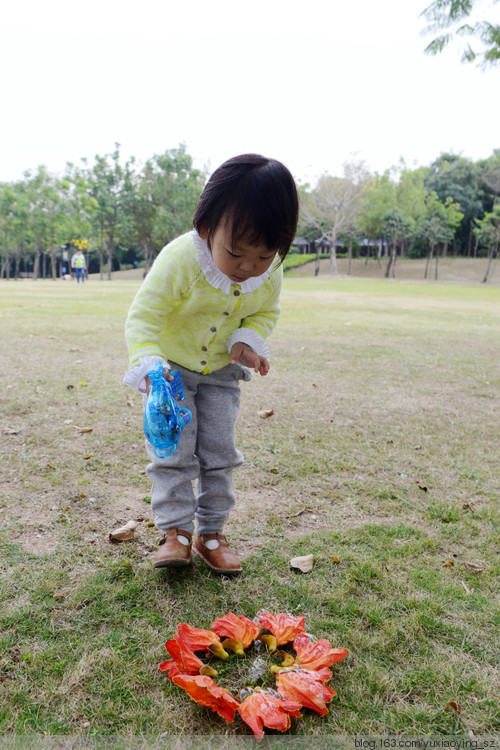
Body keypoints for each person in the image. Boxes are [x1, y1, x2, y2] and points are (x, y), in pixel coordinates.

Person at [123, 154, 299, 574]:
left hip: (221, 374)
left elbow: (265, 313)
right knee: (174, 453)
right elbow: (144, 316)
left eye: (263, 256)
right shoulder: (181, 258)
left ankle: (211, 533)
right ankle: (176, 533)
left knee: (220, 452)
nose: (247, 268)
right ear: (207, 228)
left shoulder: (268, 272)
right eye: (237, 253)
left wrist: (246, 341)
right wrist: (149, 364)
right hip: (171, 375)